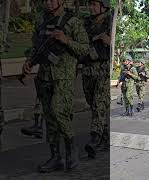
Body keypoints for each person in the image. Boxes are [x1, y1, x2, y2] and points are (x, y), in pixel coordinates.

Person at [22, 0, 89, 172]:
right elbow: (35, 46)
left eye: (53, 0)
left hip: (63, 77)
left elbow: (84, 49)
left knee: (59, 112)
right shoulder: (41, 21)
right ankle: (55, 157)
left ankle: (71, 151)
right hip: (44, 76)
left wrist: (66, 40)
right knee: (49, 118)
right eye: (46, 0)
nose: (49, 3)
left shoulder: (72, 21)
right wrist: (29, 61)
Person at [81, 0, 112, 159]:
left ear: (103, 6)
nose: (91, 7)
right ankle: (105, 137)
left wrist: (108, 40)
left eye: (94, 4)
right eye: (90, 4)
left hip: (103, 68)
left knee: (99, 103)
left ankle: (95, 138)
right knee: (92, 104)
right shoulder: (85, 23)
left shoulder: (111, 21)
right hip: (87, 68)